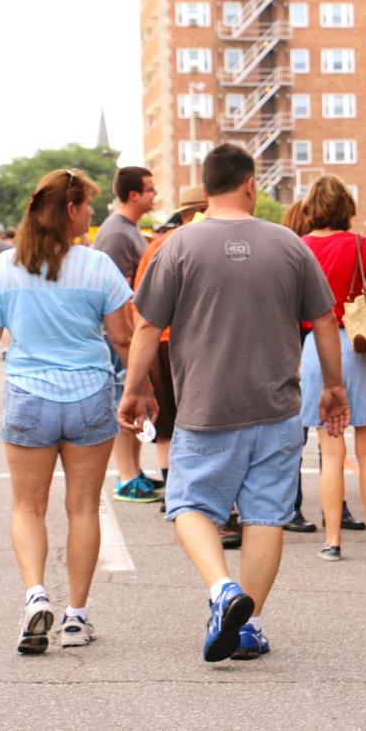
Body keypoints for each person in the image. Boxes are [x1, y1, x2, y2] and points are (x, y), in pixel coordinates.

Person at [118, 144, 348, 662]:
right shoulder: (289, 244)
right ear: (251, 185)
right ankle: (250, 627)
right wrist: (333, 386)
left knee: (188, 504)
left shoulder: (177, 245)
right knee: (266, 514)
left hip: (206, 407)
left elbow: (148, 327)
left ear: (204, 189)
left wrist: (135, 391)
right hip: (277, 406)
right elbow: (326, 320)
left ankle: (222, 589)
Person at [0, 169, 134, 653]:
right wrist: (142, 388)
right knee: (83, 507)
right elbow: (122, 336)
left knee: (26, 506)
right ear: (69, 211)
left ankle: (36, 594)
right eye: (87, 206)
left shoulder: (8, 268)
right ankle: (76, 617)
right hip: (88, 397)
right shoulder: (97, 267)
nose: (93, 214)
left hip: (29, 397)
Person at [297, 175, 366, 561]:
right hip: (357, 345)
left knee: (330, 450)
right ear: (346, 207)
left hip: (316, 350)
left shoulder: (302, 247)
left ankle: (333, 541)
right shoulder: (360, 244)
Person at [131, 185, 208, 511]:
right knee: (199, 422)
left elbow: (141, 302)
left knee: (166, 424)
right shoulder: (205, 242)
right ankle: (199, 491)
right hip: (197, 342)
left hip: (160, 340)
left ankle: (172, 490)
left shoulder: (158, 245)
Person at [93, 166, 160, 503]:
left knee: (134, 403)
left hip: (131, 330)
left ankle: (134, 471)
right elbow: (115, 296)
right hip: (120, 332)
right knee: (126, 399)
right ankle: (127, 477)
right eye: (150, 189)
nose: (155, 195)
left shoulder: (128, 229)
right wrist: (129, 336)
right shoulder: (117, 233)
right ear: (133, 194)